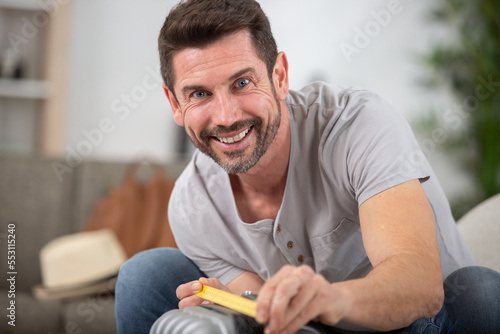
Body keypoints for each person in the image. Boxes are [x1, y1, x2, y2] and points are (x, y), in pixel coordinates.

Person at [115, 0, 500, 333]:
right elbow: (266, 308)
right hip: (309, 329)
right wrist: (231, 313)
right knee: (146, 277)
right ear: (175, 104)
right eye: (199, 94)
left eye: (242, 83)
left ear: (279, 76)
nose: (227, 116)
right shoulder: (192, 204)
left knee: (480, 294)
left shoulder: (358, 126)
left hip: (418, 325)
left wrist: (329, 299)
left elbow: (420, 283)